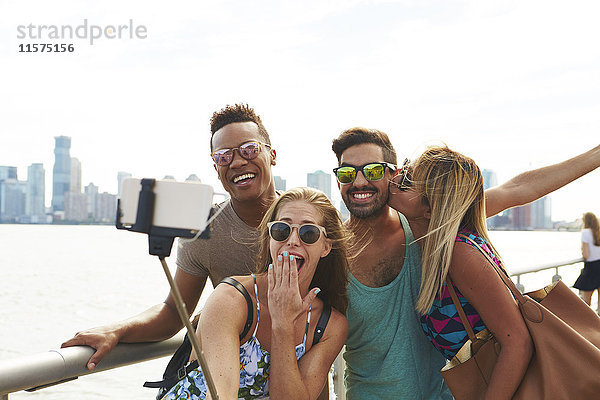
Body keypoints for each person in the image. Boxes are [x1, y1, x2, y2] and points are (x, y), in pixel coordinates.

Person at [331, 127, 600, 399]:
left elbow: (517, 189)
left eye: (374, 170)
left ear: (392, 174)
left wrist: (596, 155)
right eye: (346, 173)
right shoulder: (330, 250)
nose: (360, 181)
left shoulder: (446, 233)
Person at [62, 104, 280, 370]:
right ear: (216, 167)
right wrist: (115, 331)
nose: (237, 162)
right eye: (223, 156)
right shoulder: (203, 231)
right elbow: (175, 312)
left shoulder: (309, 219)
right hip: (233, 377)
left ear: (273, 155)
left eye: (249, 149)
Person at [160, 187, 349, 400]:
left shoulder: (330, 325)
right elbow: (222, 394)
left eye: (308, 233)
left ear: (326, 247)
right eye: (281, 230)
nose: (293, 240)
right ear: (270, 238)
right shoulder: (231, 299)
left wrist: (283, 324)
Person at [387, 146, 533, 399]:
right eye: (405, 167)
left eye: (409, 179)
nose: (397, 176)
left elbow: (517, 343)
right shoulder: (436, 249)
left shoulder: (458, 254)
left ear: (431, 210)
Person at [573, 212, 600, 309]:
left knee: (586, 304)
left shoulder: (585, 232)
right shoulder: (599, 231)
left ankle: (588, 323)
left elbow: (586, 255)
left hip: (591, 268)